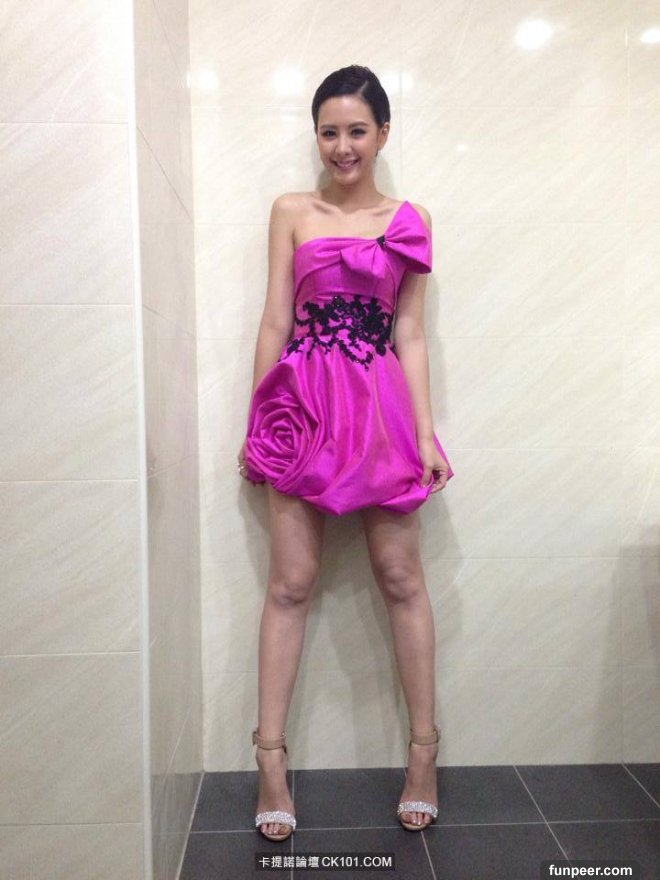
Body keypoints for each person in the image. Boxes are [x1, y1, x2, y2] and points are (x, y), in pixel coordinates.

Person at [237, 64, 454, 842]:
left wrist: (424, 434)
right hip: (302, 405)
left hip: (381, 410)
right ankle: (270, 761)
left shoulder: (410, 218)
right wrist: (258, 420)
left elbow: (410, 333)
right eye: (328, 131)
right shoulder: (291, 210)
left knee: (401, 578)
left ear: (383, 134)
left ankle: (423, 756)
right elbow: (274, 320)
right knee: (290, 584)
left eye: (357, 130)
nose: (342, 145)